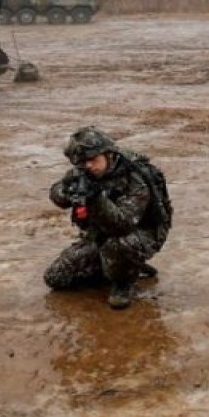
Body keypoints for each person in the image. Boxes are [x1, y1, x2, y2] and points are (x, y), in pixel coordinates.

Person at [44, 127, 172, 310]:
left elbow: (123, 224)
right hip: (100, 234)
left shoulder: (135, 177)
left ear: (108, 154)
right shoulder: (84, 172)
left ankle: (123, 282)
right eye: (83, 162)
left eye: (93, 160)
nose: (88, 166)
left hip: (140, 233)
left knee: (118, 246)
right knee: (55, 278)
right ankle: (114, 267)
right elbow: (57, 195)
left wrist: (96, 198)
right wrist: (67, 191)